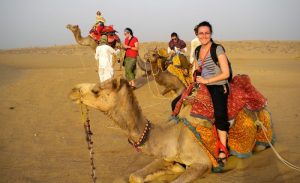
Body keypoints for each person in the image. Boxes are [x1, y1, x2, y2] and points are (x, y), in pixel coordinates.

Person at [194, 21, 231, 166]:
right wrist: (195, 79)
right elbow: (198, 69)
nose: (204, 35)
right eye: (201, 33)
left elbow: (226, 73)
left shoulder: (217, 49)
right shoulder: (197, 50)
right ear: (197, 34)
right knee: (178, 102)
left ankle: (223, 148)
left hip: (217, 85)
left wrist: (207, 81)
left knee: (219, 114)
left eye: (207, 33)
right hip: (203, 84)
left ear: (211, 34)